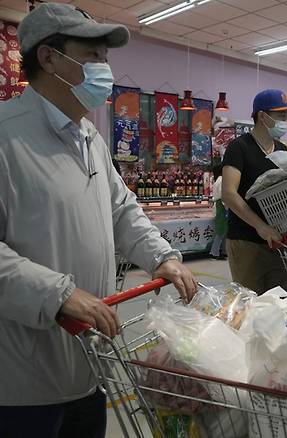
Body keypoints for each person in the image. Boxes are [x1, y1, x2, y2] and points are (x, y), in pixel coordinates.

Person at [0, 5, 197, 437]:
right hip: (22, 378)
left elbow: (121, 208)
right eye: (92, 56)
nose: (104, 69)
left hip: (92, 359)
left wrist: (161, 256)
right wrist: (58, 294)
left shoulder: (88, 136)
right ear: (49, 58)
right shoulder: (6, 134)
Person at [222, 89, 287, 295]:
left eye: (286, 115)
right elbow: (228, 194)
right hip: (246, 240)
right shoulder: (239, 147)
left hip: (277, 242)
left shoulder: (283, 150)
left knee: (278, 303)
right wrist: (260, 226)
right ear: (263, 116)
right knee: (251, 304)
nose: (286, 120)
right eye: (281, 115)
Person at [210, 164, 227, 260]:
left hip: (219, 205)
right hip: (221, 206)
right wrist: (227, 207)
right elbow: (223, 195)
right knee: (221, 232)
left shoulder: (217, 180)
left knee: (222, 231)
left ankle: (220, 251)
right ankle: (214, 252)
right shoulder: (221, 180)